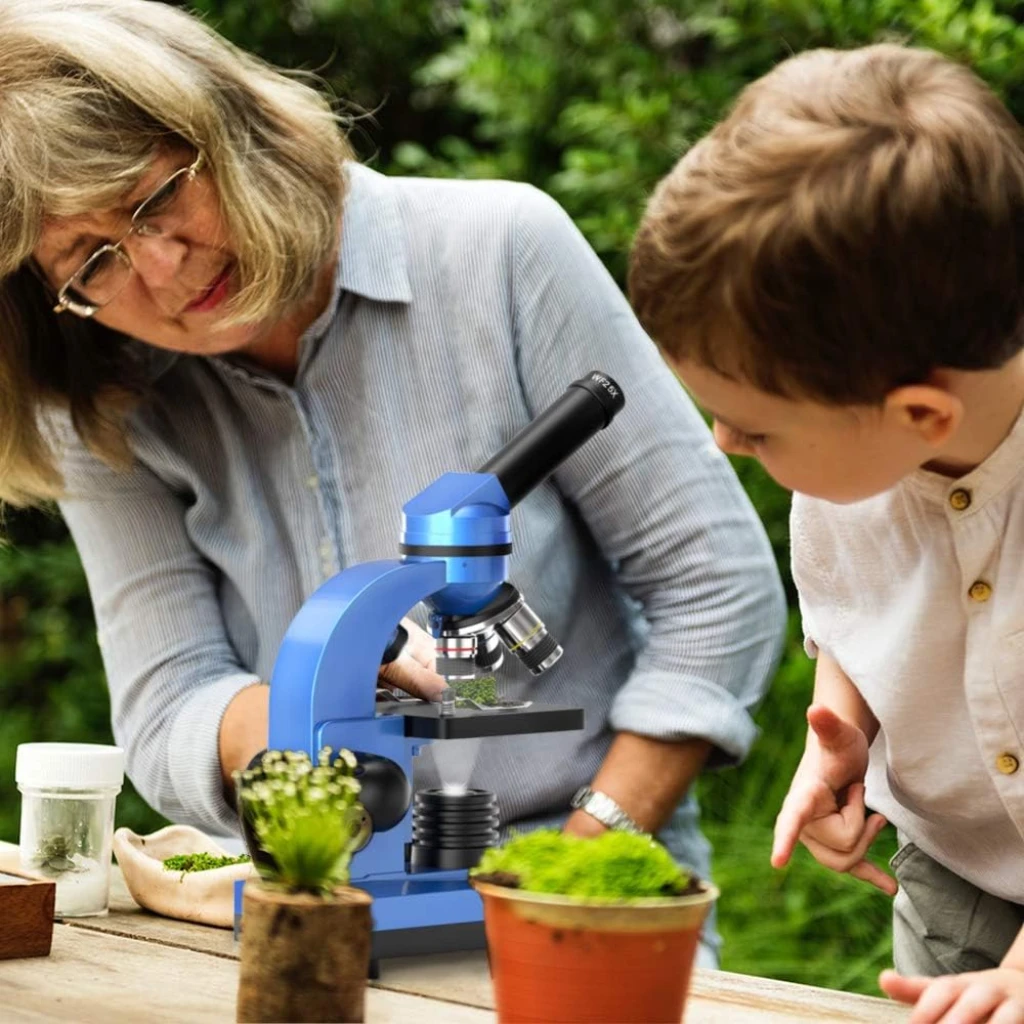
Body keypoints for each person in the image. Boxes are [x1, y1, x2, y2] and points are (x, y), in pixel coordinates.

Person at [0, 0, 785, 966]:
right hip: (310, 905)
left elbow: (718, 587)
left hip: (582, 895)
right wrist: (306, 718)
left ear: (223, 129)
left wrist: (583, 862)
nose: (161, 266)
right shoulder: (102, 406)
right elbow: (168, 705)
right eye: (93, 261)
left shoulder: (499, 250)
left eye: (157, 198)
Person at [631, 40, 1024, 1020]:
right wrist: (842, 729)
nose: (724, 443)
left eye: (753, 426)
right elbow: (857, 597)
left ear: (918, 416)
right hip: (957, 860)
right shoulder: (853, 444)